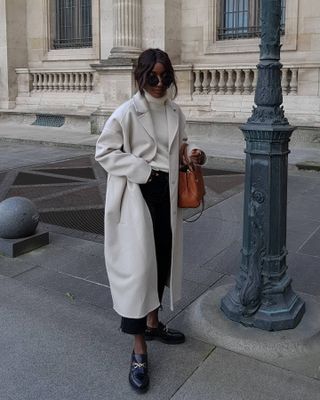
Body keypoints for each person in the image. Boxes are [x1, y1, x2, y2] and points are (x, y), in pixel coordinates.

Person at [95, 48, 205, 393]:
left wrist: (192, 153)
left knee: (161, 260)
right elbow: (104, 151)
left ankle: (154, 323)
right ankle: (138, 349)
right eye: (152, 77)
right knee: (139, 271)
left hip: (167, 195)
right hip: (137, 195)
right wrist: (142, 171)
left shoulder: (175, 110)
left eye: (165, 76)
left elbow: (181, 145)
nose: (159, 84)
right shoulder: (127, 112)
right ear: (141, 77)